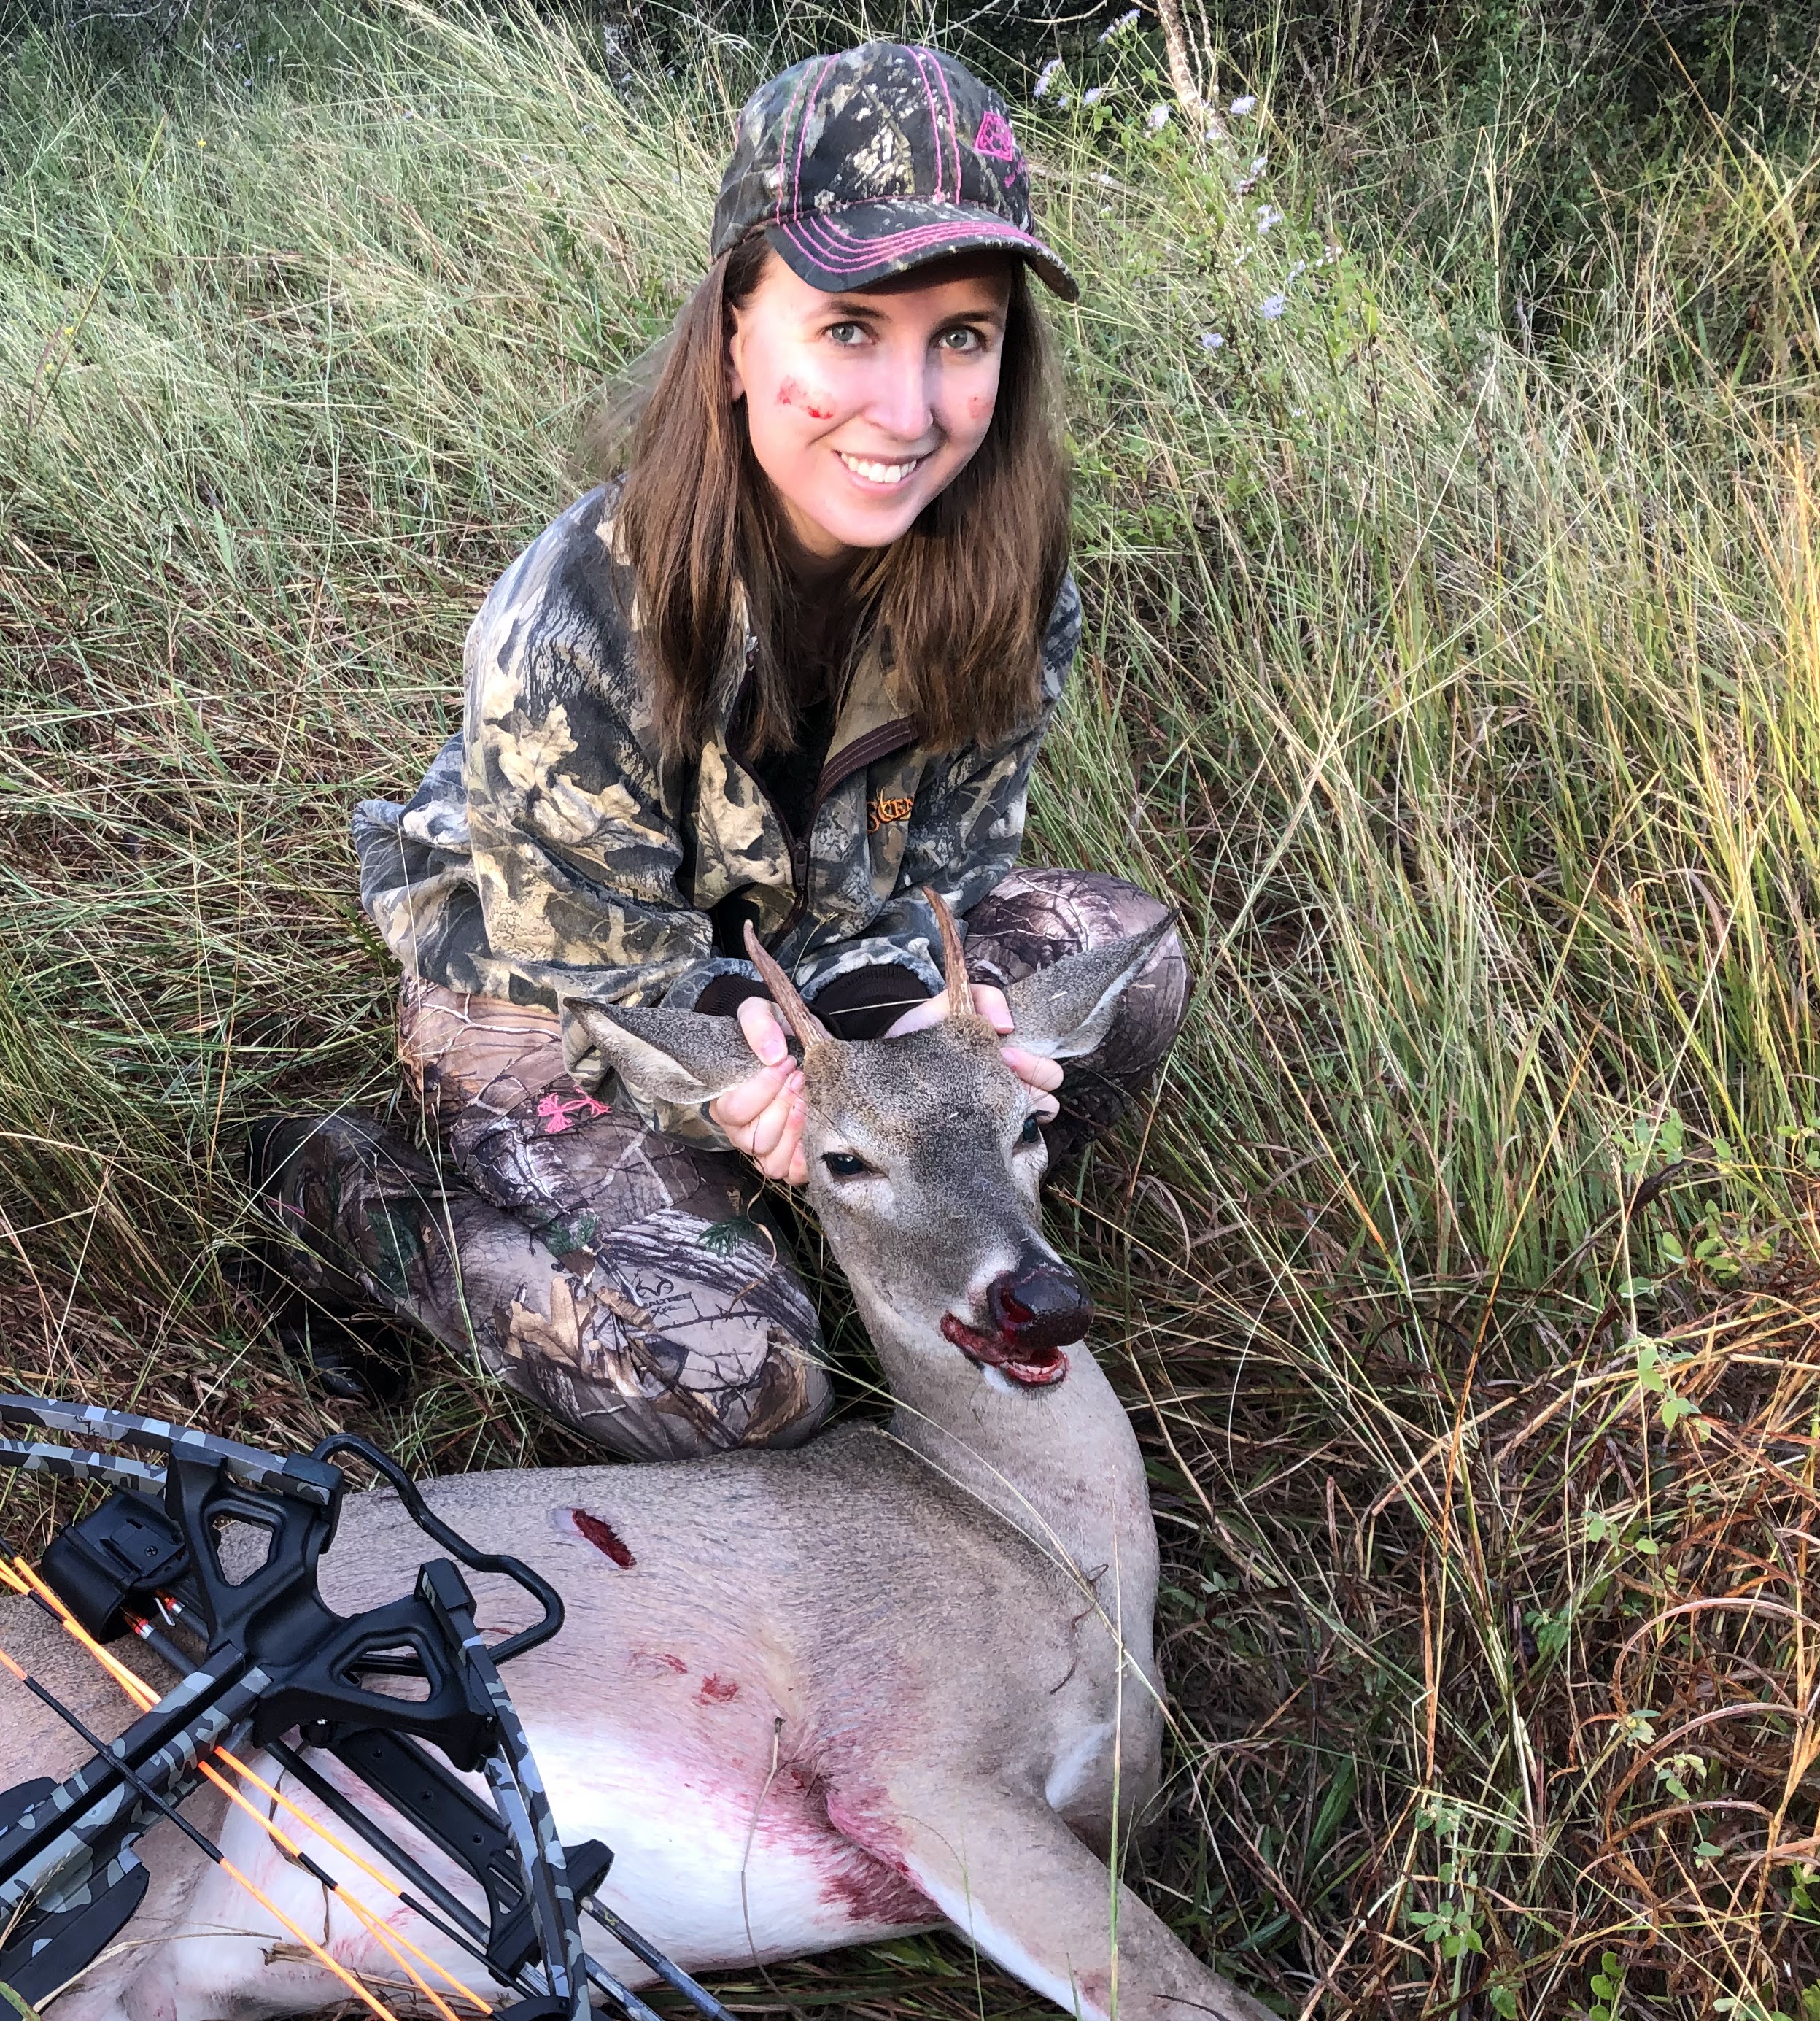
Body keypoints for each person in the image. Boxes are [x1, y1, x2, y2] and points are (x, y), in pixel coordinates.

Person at [239, 40, 1189, 1461]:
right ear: (738, 327)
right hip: (551, 984)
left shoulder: (1007, 586)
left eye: (965, 338)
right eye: (850, 330)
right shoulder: (577, 614)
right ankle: (340, 1195)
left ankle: (880, 1223)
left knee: (1135, 960)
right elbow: (608, 978)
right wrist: (791, 1079)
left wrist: (935, 1040)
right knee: (729, 1389)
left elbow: (944, 877)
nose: (912, 411)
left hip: (798, 960)